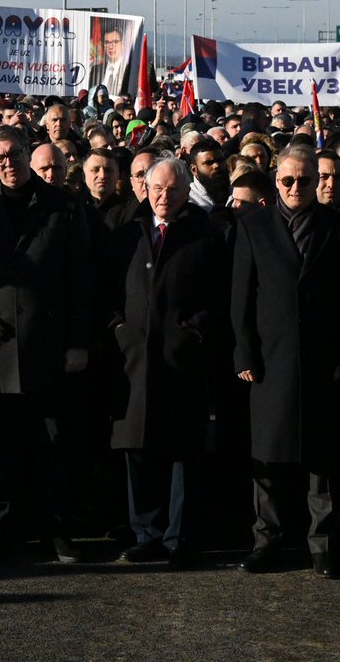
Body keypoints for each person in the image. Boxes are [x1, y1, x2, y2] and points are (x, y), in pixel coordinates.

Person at [0, 125, 92, 565]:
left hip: (49, 347)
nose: (8, 165)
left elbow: (81, 281)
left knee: (52, 445)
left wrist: (77, 343)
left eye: (14, 156)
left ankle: (55, 529)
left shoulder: (64, 207)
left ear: (28, 155)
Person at [231, 144, 340, 578]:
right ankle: (266, 541)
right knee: (267, 461)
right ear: (275, 180)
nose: (294, 188)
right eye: (286, 180)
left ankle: (322, 546)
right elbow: (242, 297)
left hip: (323, 361)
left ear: (318, 182)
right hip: (270, 361)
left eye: (304, 180)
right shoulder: (253, 226)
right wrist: (244, 352)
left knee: (321, 461)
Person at [108, 157, 228, 569]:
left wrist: (191, 332)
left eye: (172, 190)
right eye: (156, 188)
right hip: (134, 360)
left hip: (183, 361)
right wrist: (120, 331)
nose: (163, 197)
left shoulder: (205, 235)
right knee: (137, 448)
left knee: (182, 450)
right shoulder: (128, 233)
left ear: (185, 190)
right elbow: (107, 293)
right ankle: (147, 533)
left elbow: (220, 296)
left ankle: (180, 537)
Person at [89, 25, 132, 94]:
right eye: (107, 42)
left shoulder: (129, 70)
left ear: (122, 44)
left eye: (115, 42)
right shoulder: (95, 70)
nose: (111, 46)